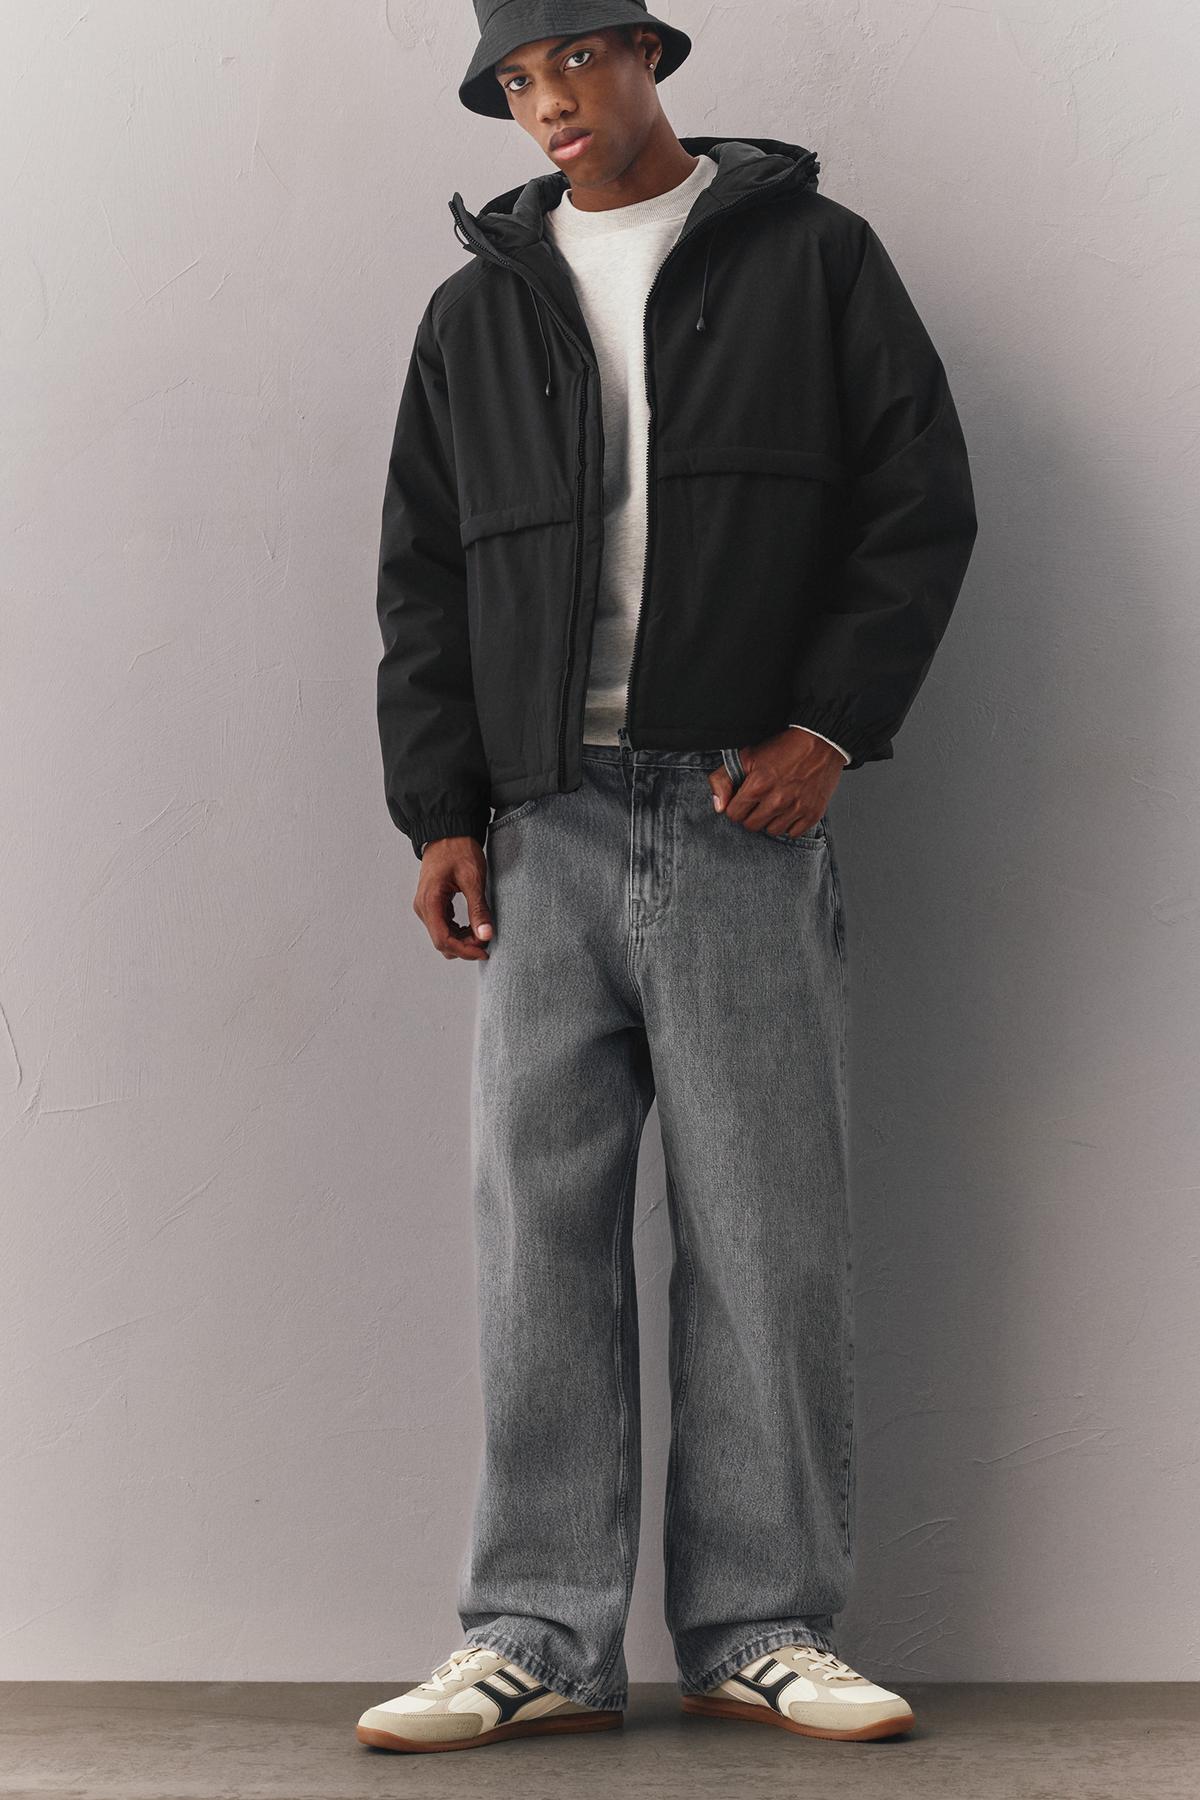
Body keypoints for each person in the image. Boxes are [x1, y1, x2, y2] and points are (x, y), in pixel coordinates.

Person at [357, 0, 978, 1757]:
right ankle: (534, 1632)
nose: (546, 104)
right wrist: (441, 812)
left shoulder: (815, 260)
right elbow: (421, 576)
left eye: (571, 62)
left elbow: (919, 505)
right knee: (537, 1239)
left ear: (647, 53)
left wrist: (829, 730)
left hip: (739, 811)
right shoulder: (477, 311)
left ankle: (764, 1624)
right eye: (514, 83)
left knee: (767, 1234)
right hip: (540, 821)